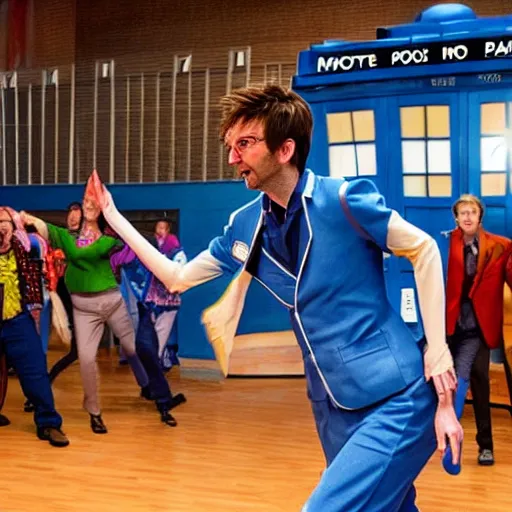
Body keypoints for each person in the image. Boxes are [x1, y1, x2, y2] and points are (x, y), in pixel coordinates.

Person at [93, 85, 461, 511]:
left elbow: (425, 249)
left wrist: (437, 353)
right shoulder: (245, 226)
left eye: (244, 144)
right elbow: (176, 278)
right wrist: (114, 217)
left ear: (285, 149)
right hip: (330, 404)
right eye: (231, 146)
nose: (233, 158)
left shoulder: (344, 200)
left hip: (395, 394)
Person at [20, 191, 151, 434]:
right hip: (83, 308)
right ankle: (94, 412)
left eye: (91, 204)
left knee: (131, 348)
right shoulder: (67, 237)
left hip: (112, 301)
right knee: (87, 358)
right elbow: (45, 228)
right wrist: (28, 219)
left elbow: (110, 247)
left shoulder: (107, 238)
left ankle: (146, 383)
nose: (86, 207)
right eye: (84, 203)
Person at [443, 194, 512, 472]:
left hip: (481, 326)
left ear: (480, 216)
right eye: (463, 212)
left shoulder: (501, 246)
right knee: (446, 383)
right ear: (456, 218)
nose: (468, 216)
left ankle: (486, 446)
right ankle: (444, 439)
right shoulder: (445, 244)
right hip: (451, 326)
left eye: (473, 211)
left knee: (480, 381)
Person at [0, 206, 69, 446]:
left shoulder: (27, 246)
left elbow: (42, 243)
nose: (0, 226)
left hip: (18, 320)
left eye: (3, 221)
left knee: (34, 372)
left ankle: (48, 423)